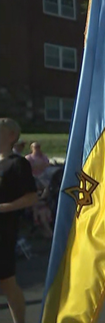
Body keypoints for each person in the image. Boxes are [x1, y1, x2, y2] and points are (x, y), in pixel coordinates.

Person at [0, 118, 39, 323]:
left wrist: (4, 208)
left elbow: (31, 197)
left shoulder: (18, 164)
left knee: (6, 282)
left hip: (4, 230)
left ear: (11, 136)